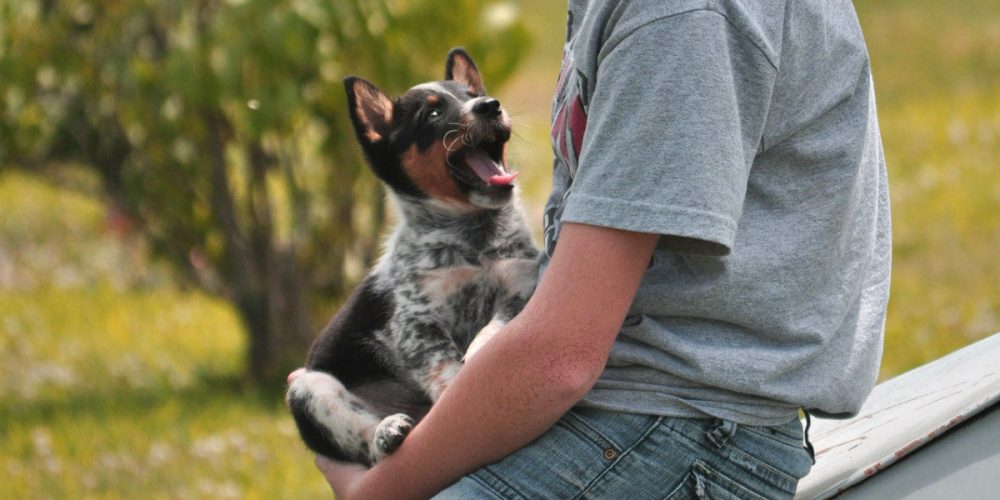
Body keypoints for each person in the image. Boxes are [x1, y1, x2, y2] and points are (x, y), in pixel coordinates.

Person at [300, 0, 891, 497]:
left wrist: (377, 489)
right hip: (649, 408)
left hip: (676, 423)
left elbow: (561, 358)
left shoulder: (679, 18)